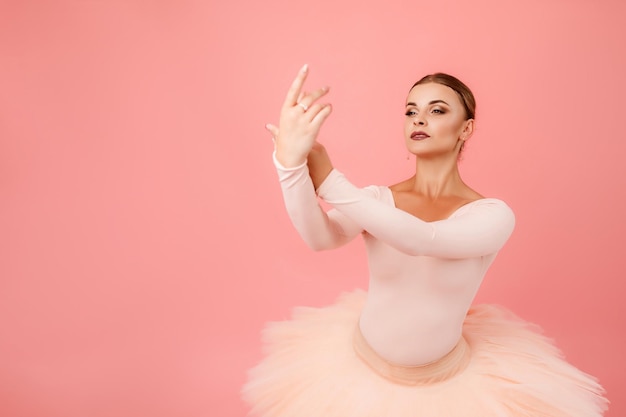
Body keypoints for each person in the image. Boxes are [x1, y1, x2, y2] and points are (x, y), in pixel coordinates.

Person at [242, 64, 608, 416]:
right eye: (410, 111)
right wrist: (288, 166)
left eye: (437, 110)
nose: (419, 119)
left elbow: (424, 239)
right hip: (356, 373)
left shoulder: (492, 215)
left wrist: (329, 181)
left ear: (466, 129)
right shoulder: (377, 201)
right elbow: (320, 237)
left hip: (452, 388)